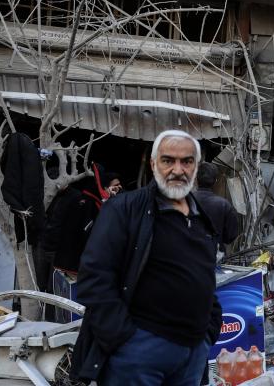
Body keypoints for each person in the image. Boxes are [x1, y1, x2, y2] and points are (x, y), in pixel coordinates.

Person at [70, 130, 223, 386]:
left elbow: (205, 278)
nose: (178, 170)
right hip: (138, 354)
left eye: (187, 161)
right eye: (168, 160)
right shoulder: (125, 209)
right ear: (153, 165)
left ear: (196, 167)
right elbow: (94, 277)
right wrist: (124, 339)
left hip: (192, 354)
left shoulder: (200, 218)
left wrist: (209, 330)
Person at [41, 163, 114, 275]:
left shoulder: (77, 198)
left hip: (59, 250)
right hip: (46, 245)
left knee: (54, 281)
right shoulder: (51, 195)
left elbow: (75, 228)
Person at [193, 161, 241, 252]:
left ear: (196, 179)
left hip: (187, 256)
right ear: (215, 181)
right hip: (214, 255)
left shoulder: (185, 202)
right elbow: (230, 236)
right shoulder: (224, 205)